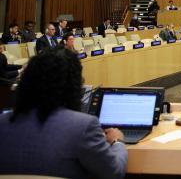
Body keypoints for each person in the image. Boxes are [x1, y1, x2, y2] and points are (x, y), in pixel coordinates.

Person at [0, 49, 128, 178]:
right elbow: (114, 173)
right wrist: (117, 142)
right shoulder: (84, 126)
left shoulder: (2, 123)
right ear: (73, 85)